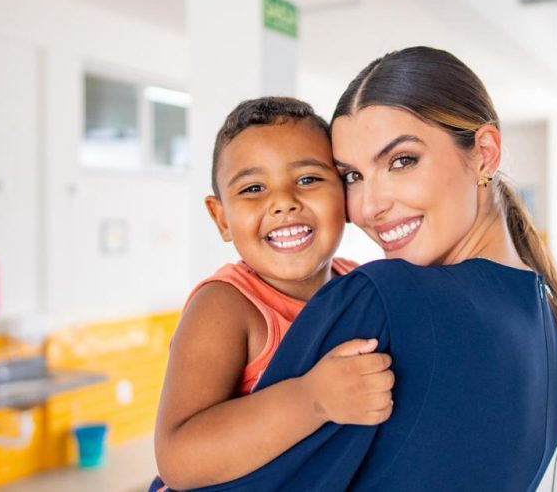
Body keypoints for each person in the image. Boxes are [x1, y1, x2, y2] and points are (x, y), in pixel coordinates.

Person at [195, 46, 557, 492]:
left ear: (484, 154)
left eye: (401, 161)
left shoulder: (381, 298)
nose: (368, 207)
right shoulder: (555, 328)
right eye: (352, 176)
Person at [152, 97, 395, 490]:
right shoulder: (225, 306)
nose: (283, 202)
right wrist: (312, 399)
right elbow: (178, 457)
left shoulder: (362, 287)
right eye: (252, 188)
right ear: (221, 218)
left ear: (345, 197)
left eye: (308, 179)